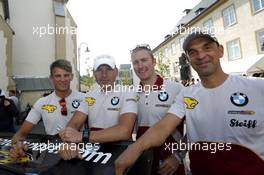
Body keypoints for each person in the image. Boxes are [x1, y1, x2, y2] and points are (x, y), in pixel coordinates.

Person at [115, 31, 264, 175]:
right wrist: (134, 150)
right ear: (188, 59)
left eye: (207, 47)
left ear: (220, 51)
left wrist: (177, 156)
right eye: (193, 52)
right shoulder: (187, 94)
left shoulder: (258, 87)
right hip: (172, 167)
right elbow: (162, 128)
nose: (201, 55)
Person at [58, 54, 138, 160]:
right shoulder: (90, 95)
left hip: (119, 154)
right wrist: (69, 142)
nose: (104, 75)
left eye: (108, 69)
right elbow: (75, 123)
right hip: (93, 152)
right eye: (99, 70)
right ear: (94, 73)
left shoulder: (127, 93)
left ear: (116, 72)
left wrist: (82, 136)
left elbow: (124, 131)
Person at [10, 59, 85, 158]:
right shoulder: (42, 102)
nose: (62, 79)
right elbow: (20, 134)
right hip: (53, 155)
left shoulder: (84, 99)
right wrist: (17, 146)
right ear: (51, 78)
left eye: (66, 75)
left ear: (71, 77)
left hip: (79, 153)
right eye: (58, 76)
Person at [130, 44, 185, 175]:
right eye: (135, 62)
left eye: (144, 60)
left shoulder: (177, 89)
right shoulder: (131, 94)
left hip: (170, 165)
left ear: (154, 61)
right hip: (143, 162)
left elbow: (195, 129)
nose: (140, 66)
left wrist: (178, 156)